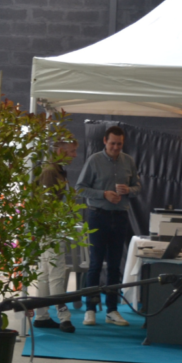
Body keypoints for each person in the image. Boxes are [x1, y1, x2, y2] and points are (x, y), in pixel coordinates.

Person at [76, 126, 140, 327]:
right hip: (98, 216)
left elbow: (138, 187)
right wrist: (103, 194)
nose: (115, 147)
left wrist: (129, 190)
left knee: (114, 265)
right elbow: (80, 188)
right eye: (112, 143)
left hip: (120, 217)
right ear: (105, 141)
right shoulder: (94, 160)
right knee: (95, 264)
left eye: (119, 144)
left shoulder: (128, 161)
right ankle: (90, 309)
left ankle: (112, 310)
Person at [34, 139, 79, 333]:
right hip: (51, 227)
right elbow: (46, 203)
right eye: (72, 151)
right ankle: (64, 318)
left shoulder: (55, 170)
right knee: (56, 272)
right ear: (60, 150)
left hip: (50, 227)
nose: (75, 155)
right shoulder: (51, 171)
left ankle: (41, 315)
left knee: (45, 273)